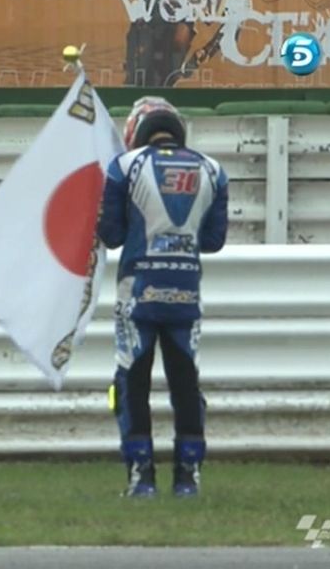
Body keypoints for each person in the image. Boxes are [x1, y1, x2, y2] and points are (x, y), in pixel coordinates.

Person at [97, 96, 229, 498]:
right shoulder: (213, 170)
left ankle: (142, 479)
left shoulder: (124, 166)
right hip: (186, 292)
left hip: (138, 291)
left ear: (137, 131)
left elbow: (112, 235)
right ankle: (188, 479)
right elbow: (213, 241)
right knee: (186, 384)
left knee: (131, 383)